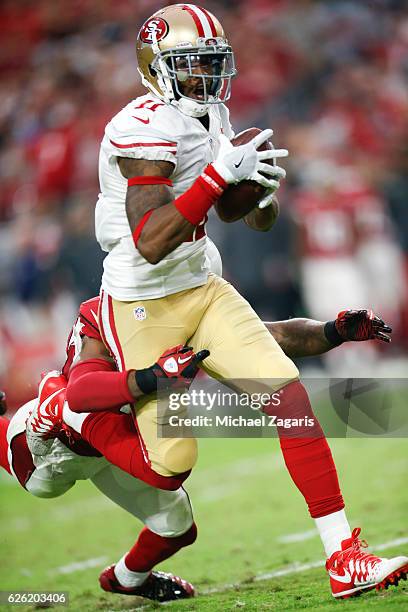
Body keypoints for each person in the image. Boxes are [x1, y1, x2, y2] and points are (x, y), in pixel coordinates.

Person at [93, 4, 407, 599]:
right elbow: (151, 241)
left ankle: (344, 555)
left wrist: (259, 188)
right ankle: (121, 549)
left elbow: (246, 218)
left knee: (288, 393)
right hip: (141, 301)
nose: (205, 78)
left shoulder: (210, 112)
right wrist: (216, 176)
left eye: (212, 64)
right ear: (156, 67)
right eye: (191, 66)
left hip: (204, 285)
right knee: (170, 467)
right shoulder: (141, 128)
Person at [1, 295, 392, 602]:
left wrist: (332, 331)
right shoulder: (109, 314)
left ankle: (125, 579)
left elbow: (267, 337)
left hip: (120, 438)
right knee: (51, 475)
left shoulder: (180, 301)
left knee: (177, 528)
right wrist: (155, 379)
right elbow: (78, 397)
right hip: (61, 440)